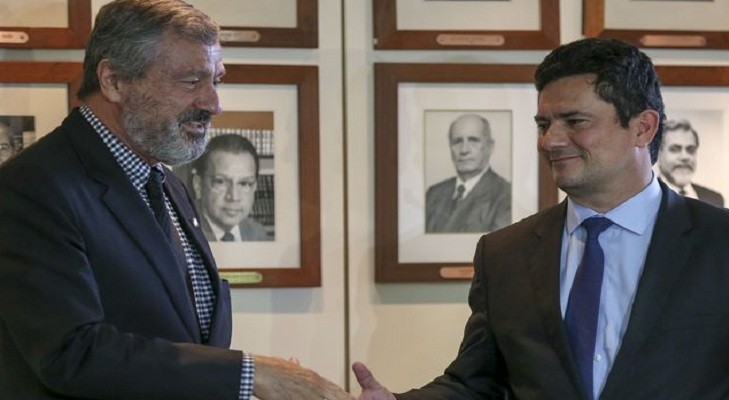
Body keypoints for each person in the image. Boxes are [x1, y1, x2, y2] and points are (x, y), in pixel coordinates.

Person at [354, 38, 729, 399]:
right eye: (544, 124)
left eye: (575, 121)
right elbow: (477, 382)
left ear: (643, 127)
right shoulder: (503, 253)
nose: (551, 141)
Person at [0, 1, 351, 399]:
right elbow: (71, 352)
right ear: (114, 80)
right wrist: (249, 374)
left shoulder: (164, 180)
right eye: (190, 81)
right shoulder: (33, 186)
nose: (214, 103)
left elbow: (184, 330)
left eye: (216, 80)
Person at [425, 113, 511, 233]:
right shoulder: (433, 194)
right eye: (457, 141)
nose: (464, 149)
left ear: (490, 146)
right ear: (450, 147)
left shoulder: (506, 195)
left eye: (474, 140)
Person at [190, 134, 273, 241]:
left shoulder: (258, 233)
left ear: (255, 187)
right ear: (198, 185)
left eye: (244, 183)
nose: (234, 197)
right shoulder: (185, 232)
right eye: (220, 182)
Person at [656, 118, 724, 207]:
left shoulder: (714, 199)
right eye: (675, 149)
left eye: (690, 150)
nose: (685, 157)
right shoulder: (646, 196)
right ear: (658, 154)